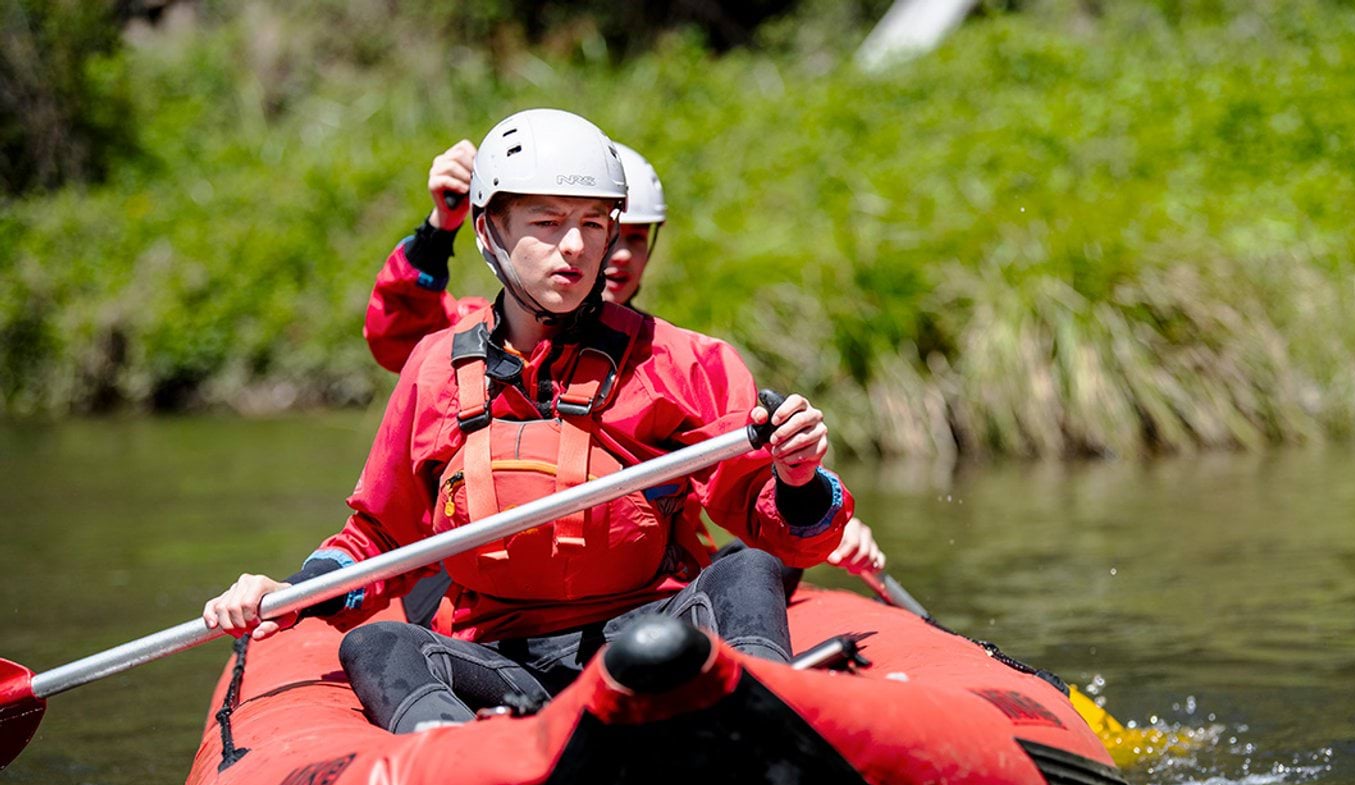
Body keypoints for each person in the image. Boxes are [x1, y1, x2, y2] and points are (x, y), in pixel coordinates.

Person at [204, 109, 855, 734]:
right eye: (546, 222)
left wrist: (798, 479)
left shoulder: (685, 362)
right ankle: (462, 768)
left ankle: (766, 737)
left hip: (649, 636)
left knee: (747, 570)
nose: (575, 247)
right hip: (501, 659)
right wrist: (287, 592)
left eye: (595, 224)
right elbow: (377, 540)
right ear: (489, 232)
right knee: (378, 643)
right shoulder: (435, 367)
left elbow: (771, 519)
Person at [364, 138, 886, 584]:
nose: (589, 249)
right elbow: (401, 338)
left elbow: (748, 474)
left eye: (605, 229)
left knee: (756, 569)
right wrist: (440, 227)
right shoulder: (475, 344)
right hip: (497, 584)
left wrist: (808, 492)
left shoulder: (671, 354)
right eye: (550, 222)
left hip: (638, 586)